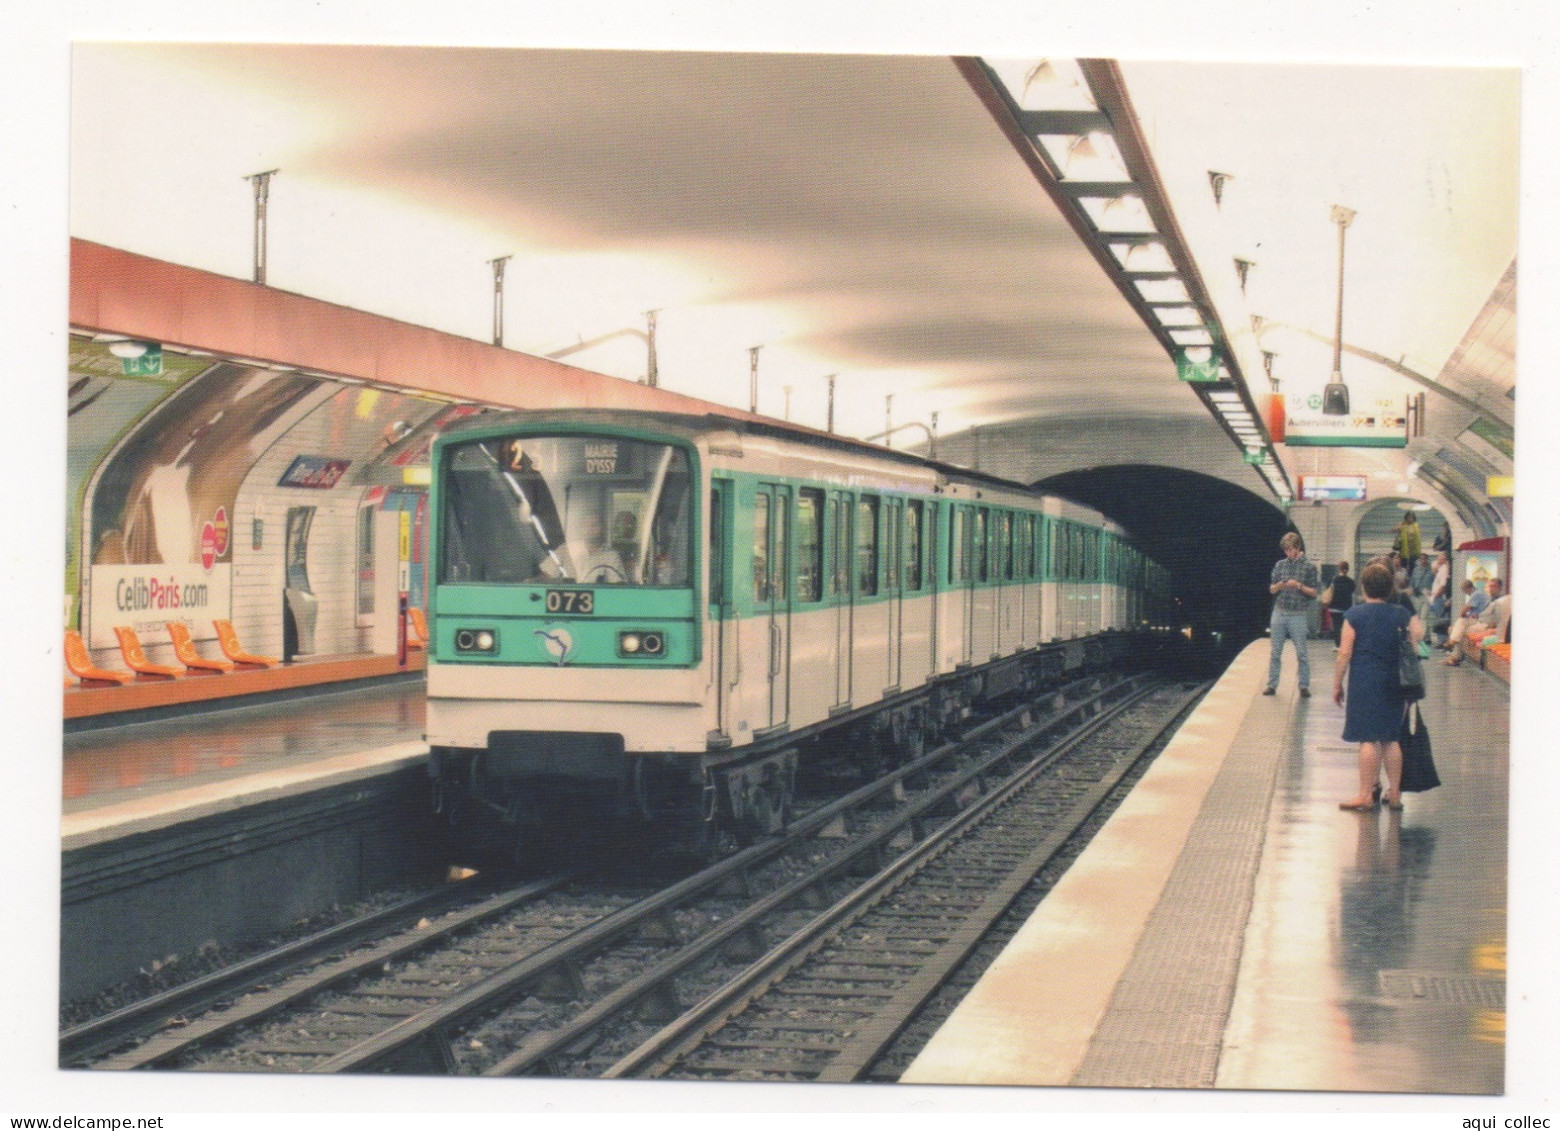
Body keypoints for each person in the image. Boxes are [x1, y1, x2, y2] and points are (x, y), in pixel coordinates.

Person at [1334, 562, 1423, 811]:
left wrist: (1336, 684)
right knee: (1391, 739)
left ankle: (1365, 795)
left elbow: (1344, 654)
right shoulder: (1401, 615)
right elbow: (1413, 648)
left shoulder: (1354, 615)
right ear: (1389, 588)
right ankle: (1395, 795)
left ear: (1363, 587)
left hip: (1366, 681)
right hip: (1396, 682)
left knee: (1368, 740)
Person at [1266, 531, 1320, 697]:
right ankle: (1272, 685)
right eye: (1285, 550)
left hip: (1298, 614)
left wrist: (1298, 585)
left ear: (1298, 548)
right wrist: (1280, 586)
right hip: (1279, 612)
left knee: (1302, 652)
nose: (1287, 553)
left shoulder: (1309, 567)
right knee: (1275, 652)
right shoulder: (1280, 565)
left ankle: (1304, 686)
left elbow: (1314, 592)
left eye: (1290, 549)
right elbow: (1271, 589)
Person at [1445, 577, 1508, 665]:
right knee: (1460, 624)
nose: (1492, 588)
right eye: (1490, 586)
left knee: (1459, 630)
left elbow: (1501, 618)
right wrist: (1477, 615)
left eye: (1495, 586)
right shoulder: (1489, 598)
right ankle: (1454, 652)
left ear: (1500, 588)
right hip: (1480, 622)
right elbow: (1486, 613)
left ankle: (1454, 654)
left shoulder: (1502, 601)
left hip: (1487, 626)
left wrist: (1492, 627)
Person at [1325, 561, 1357, 648]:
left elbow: (1328, 590)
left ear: (1338, 569)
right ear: (1348, 570)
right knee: (1344, 626)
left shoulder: (1333, 580)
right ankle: (1345, 644)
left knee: (1336, 626)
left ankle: (1337, 645)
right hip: (1346, 607)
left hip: (1334, 608)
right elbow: (1352, 591)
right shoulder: (1351, 582)